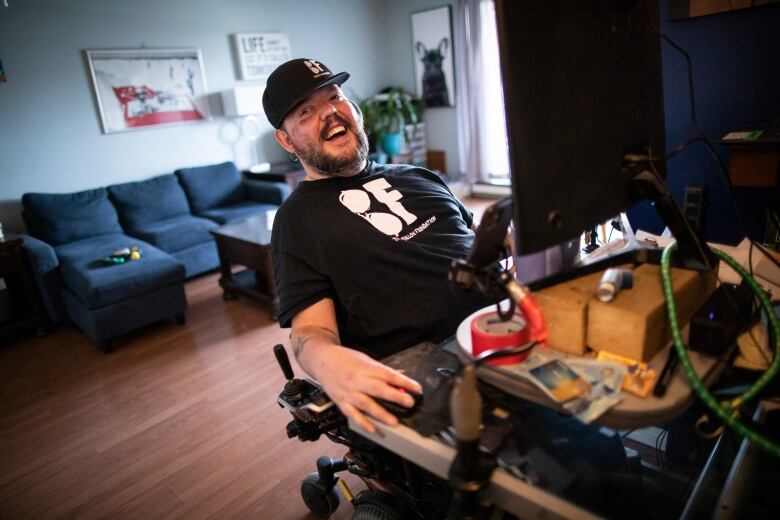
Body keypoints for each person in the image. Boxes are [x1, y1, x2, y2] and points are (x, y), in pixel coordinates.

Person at [263, 58, 495, 433]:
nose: (330, 113)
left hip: (506, 322)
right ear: (286, 140)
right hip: (438, 368)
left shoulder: (417, 175)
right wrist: (330, 364)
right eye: (307, 111)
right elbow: (310, 334)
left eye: (335, 97)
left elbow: (479, 235)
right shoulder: (297, 220)